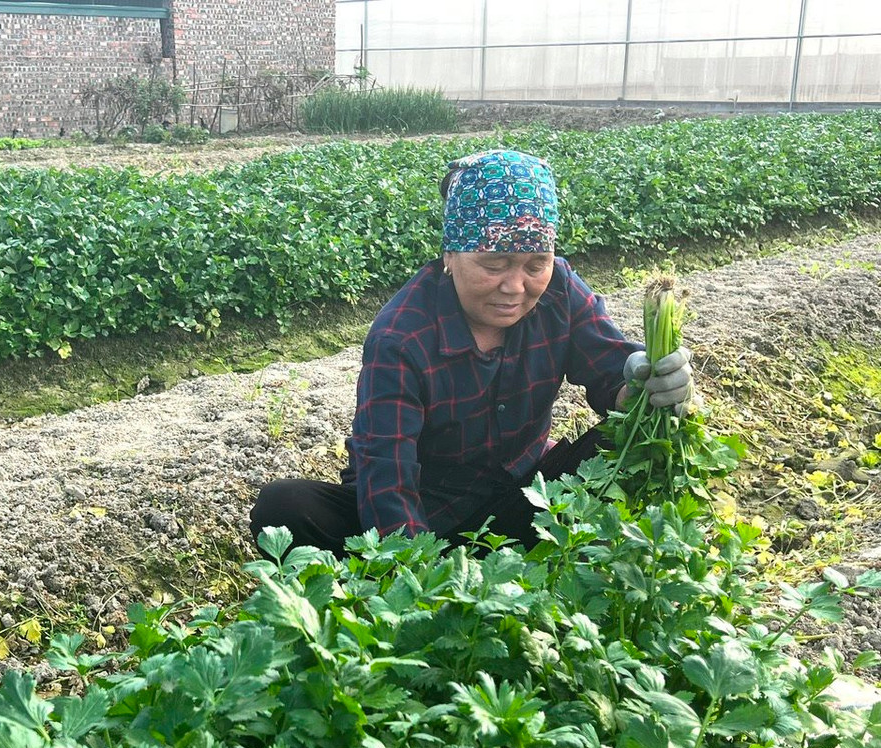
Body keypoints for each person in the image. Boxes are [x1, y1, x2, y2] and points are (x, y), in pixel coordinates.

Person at [249, 149, 695, 554]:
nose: (515, 286)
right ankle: (457, 564)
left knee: (632, 441)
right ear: (450, 254)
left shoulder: (559, 289)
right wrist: (421, 575)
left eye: (534, 264)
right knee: (285, 507)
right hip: (426, 510)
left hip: (529, 494)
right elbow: (387, 472)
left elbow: (610, 373)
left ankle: (523, 554)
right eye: (494, 264)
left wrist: (642, 384)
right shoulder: (402, 337)